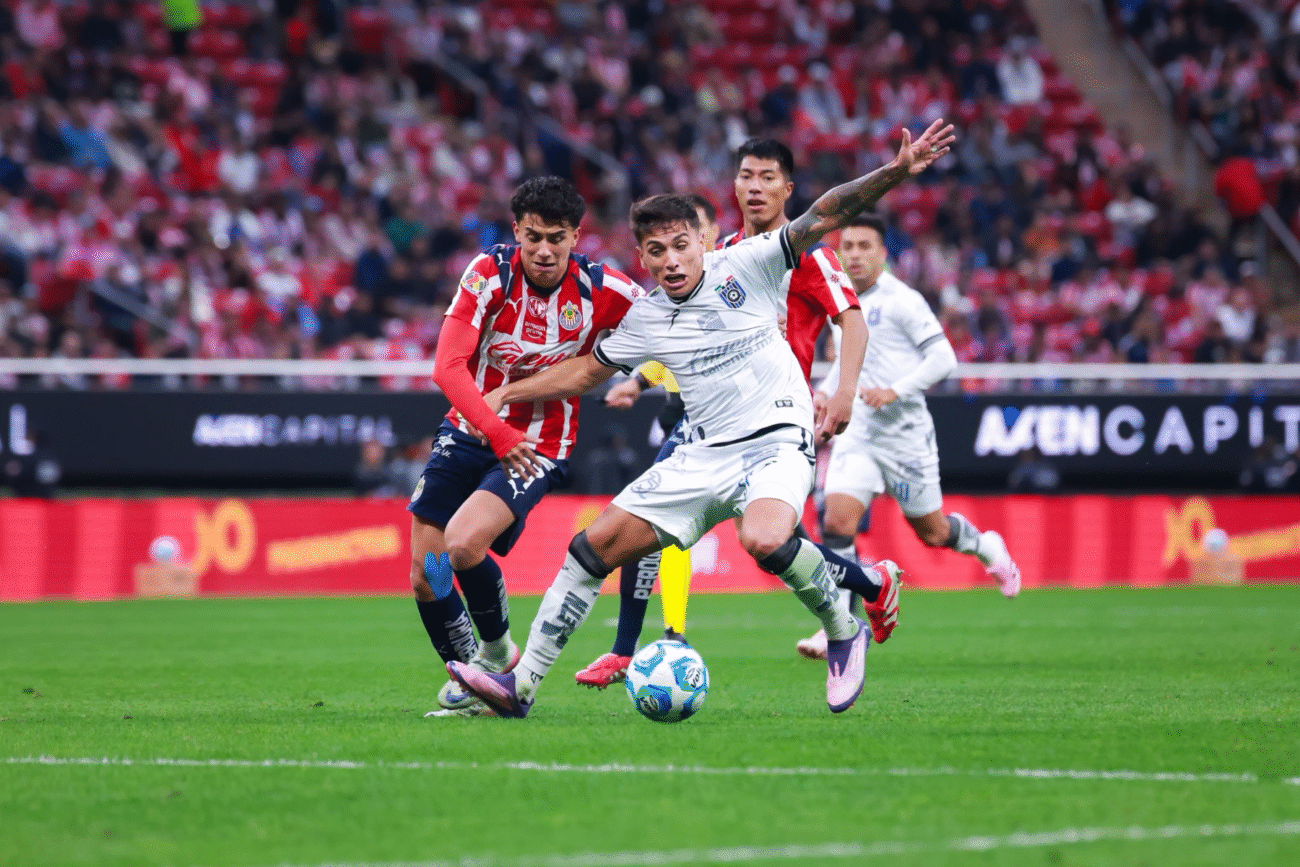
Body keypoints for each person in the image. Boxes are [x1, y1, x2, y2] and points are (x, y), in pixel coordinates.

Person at [445, 119, 956, 718]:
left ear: (704, 242)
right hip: (701, 453)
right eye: (656, 251)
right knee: (593, 546)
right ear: (642, 257)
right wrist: (510, 394)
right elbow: (585, 372)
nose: (670, 260)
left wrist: (894, 172)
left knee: (765, 539)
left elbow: (826, 211)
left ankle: (843, 628)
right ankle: (519, 685)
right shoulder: (646, 316)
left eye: (681, 244)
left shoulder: (754, 262)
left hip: (776, 440)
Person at [574, 144, 900, 689]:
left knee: (772, 542)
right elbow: (674, 332)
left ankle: (868, 585)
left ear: (787, 191)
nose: (754, 186)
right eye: (746, 175)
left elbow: (852, 320)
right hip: (709, 413)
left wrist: (841, 391)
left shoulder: (807, 252)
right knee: (643, 510)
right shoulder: (715, 252)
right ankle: (625, 648)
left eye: (767, 177)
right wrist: (637, 379)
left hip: (775, 417)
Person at [407, 176, 642, 717]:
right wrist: (496, 428)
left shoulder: (605, 290)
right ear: (516, 230)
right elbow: (447, 366)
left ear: (576, 237)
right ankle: (476, 678)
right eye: (533, 236)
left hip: (540, 443)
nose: (543, 250)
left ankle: (493, 656)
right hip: (472, 429)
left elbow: (670, 318)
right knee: (427, 573)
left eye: (556, 238)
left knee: (464, 546)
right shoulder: (488, 273)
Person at [795, 213, 1021, 658]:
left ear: (883, 254)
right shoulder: (840, 303)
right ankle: (839, 625)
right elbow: (847, 365)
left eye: (865, 247)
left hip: (904, 436)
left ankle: (985, 544)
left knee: (933, 532)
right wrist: (825, 392)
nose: (855, 255)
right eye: (849, 246)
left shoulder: (903, 301)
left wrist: (895, 391)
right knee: (836, 520)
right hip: (858, 431)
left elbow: (943, 359)